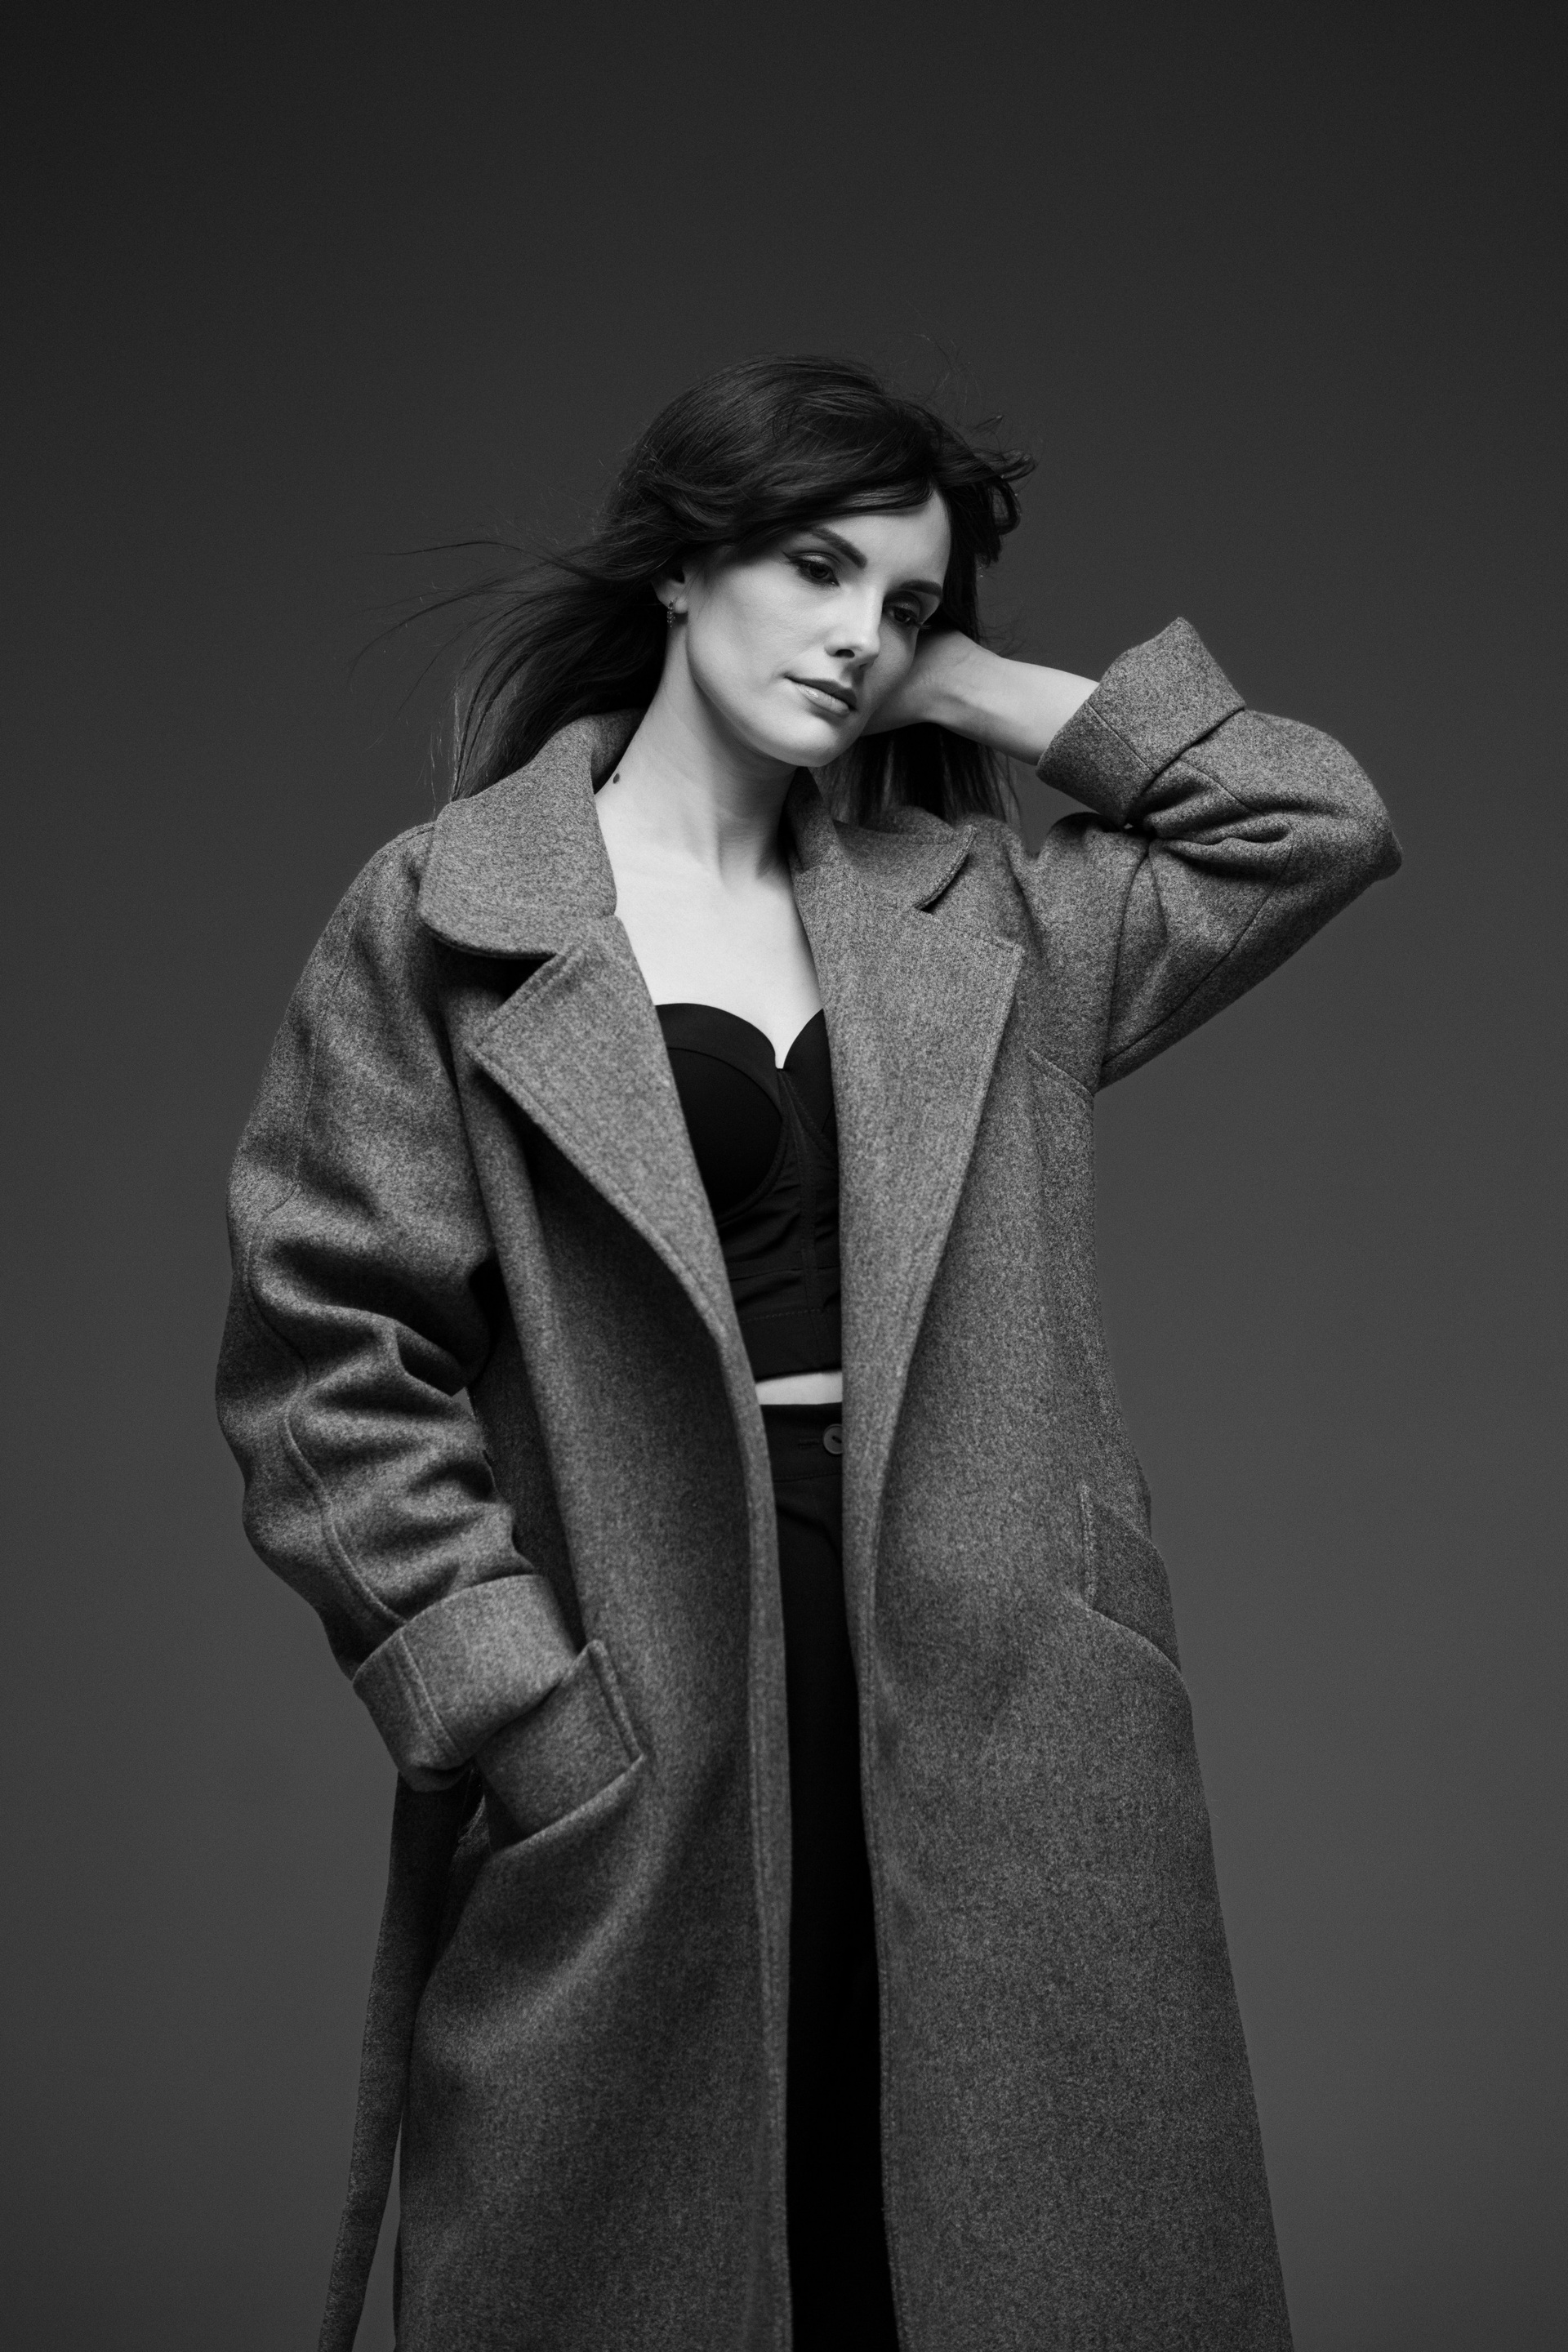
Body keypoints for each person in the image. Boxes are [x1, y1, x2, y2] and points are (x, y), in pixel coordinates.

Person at [216, 354, 1400, 2352]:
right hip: (648, 1662)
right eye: (817, 567)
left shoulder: (985, 918)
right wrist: (509, 1699)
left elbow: (1310, 818)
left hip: (1000, 1666)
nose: (859, 632)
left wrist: (965, 687)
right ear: (684, 567)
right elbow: (324, 1350)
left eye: (907, 599)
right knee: (670, 2246)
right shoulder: (447, 915)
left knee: (979, 2247)